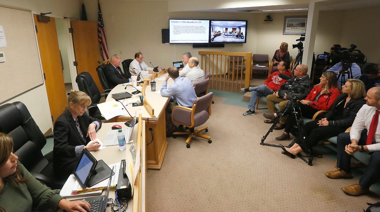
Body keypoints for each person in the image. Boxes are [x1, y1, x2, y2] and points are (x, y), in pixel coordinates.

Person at [0, 133, 91, 212]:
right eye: (6, 156)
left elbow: (40, 192)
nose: (15, 157)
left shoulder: (15, 168)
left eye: (12, 152)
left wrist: (66, 203)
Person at [280, 79, 366, 159]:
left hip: (343, 126)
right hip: (331, 120)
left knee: (317, 131)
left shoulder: (360, 103)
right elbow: (332, 111)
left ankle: (297, 150)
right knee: (308, 126)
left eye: (346, 86)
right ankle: (294, 146)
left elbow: (350, 121)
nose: (342, 86)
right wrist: (324, 119)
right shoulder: (343, 96)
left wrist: (329, 123)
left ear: (354, 90)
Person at [325, 86, 380, 196]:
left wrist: (362, 148)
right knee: (344, 137)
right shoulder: (366, 107)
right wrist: (354, 142)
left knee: (378, 157)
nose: (365, 98)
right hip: (372, 137)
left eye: (368, 97)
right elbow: (356, 126)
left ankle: (363, 186)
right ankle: (344, 170)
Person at [275, 71, 341, 140]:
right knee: (295, 110)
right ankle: (286, 133)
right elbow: (308, 97)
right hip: (309, 108)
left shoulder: (335, 92)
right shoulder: (318, 87)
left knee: (296, 106)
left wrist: (310, 103)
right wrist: (307, 102)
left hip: (319, 111)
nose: (320, 78)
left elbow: (326, 107)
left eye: (322, 77)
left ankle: (279, 115)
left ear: (328, 80)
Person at [53, 91, 102, 182]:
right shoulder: (62, 122)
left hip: (82, 155)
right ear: (72, 105)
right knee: (97, 167)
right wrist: (85, 148)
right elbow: (60, 148)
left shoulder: (80, 115)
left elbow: (96, 120)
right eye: (82, 106)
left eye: (86, 106)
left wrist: (93, 125)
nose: (84, 109)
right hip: (68, 162)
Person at [160, 66, 197, 136]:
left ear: (170, 76)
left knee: (164, 108)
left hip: (186, 108)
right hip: (195, 105)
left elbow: (163, 93)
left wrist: (165, 81)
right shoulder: (187, 79)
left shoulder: (174, 86)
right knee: (171, 100)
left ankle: (171, 128)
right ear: (178, 72)